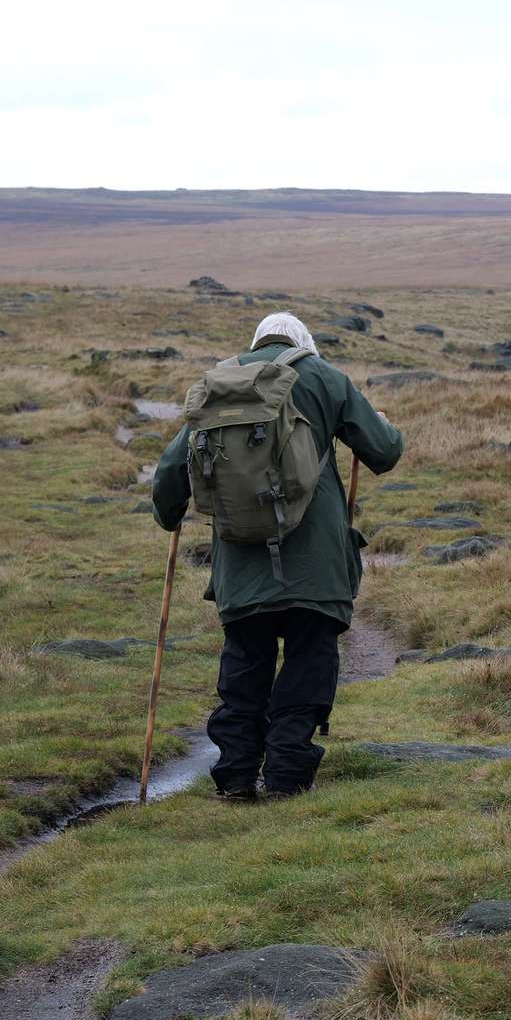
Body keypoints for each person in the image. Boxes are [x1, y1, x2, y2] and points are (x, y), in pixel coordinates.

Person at [152, 312, 405, 799]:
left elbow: (170, 471)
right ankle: (288, 775)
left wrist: (169, 516)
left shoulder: (219, 383)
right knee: (309, 659)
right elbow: (384, 451)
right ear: (304, 343)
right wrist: (384, 427)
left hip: (240, 562)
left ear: (256, 344)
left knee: (246, 663)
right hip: (316, 565)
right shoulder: (325, 378)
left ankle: (237, 777)